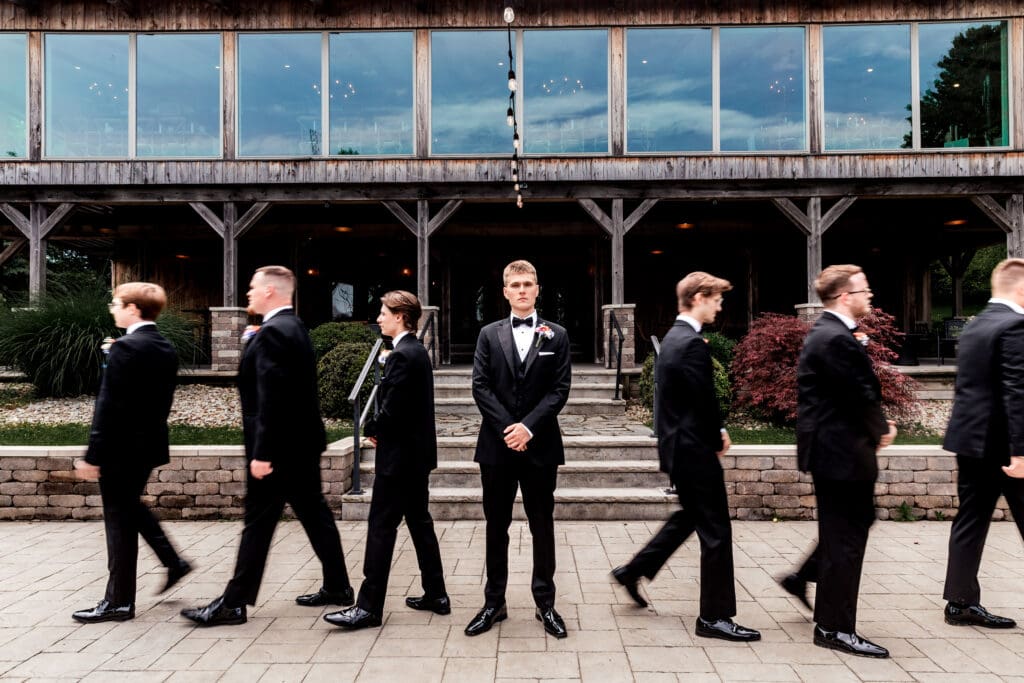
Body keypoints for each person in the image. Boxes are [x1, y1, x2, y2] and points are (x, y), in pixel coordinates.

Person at [181, 265, 353, 626]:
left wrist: (262, 453)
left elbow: (273, 399)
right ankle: (337, 586)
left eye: (252, 287)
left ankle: (233, 603)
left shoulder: (275, 331)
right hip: (301, 444)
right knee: (315, 515)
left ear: (270, 291)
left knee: (258, 523)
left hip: (279, 449)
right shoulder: (295, 326)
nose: (248, 293)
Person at [610, 272, 760, 642]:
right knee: (716, 531)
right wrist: (718, 434)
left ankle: (633, 570)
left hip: (678, 448)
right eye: (716, 300)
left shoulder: (673, 339)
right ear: (699, 298)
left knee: (690, 517)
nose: (719, 307)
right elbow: (702, 400)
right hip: (694, 450)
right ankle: (714, 616)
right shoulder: (690, 343)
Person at [779, 264, 896, 658]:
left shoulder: (833, 333)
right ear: (845, 296)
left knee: (844, 535)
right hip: (841, 455)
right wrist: (881, 428)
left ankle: (821, 607)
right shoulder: (835, 338)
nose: (870, 296)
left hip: (835, 452)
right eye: (864, 290)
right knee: (845, 544)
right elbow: (859, 393)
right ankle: (835, 628)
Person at [324, 290, 448, 630]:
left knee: (381, 527)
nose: (378, 318)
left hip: (399, 460)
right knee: (419, 523)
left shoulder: (403, 355)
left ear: (400, 316)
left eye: (383, 313)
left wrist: (373, 427)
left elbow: (393, 406)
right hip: (416, 457)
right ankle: (436, 593)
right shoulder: (415, 351)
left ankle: (368, 607)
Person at [72, 282, 191, 623]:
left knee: (119, 523)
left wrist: (93, 455)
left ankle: (119, 602)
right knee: (128, 509)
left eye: (116, 303)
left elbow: (108, 406)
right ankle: (173, 562)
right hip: (148, 447)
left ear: (133, 309)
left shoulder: (126, 348)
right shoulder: (163, 346)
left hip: (119, 450)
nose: (112, 308)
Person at [464, 259, 572, 639]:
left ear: (537, 289)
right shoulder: (488, 334)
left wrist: (528, 428)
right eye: (516, 285)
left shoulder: (556, 335)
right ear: (505, 291)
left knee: (543, 526)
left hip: (541, 446)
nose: (522, 290)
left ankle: (546, 603)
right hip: (496, 448)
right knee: (497, 526)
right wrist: (509, 428)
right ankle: (494, 602)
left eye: (528, 284)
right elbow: (480, 386)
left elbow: (559, 389)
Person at [941, 258, 1024, 629]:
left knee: (970, 521)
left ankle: (960, 604)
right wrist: (1020, 452)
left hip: (969, 442)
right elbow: (1017, 392)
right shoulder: (1015, 325)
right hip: (1004, 448)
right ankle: (961, 604)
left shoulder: (975, 325)